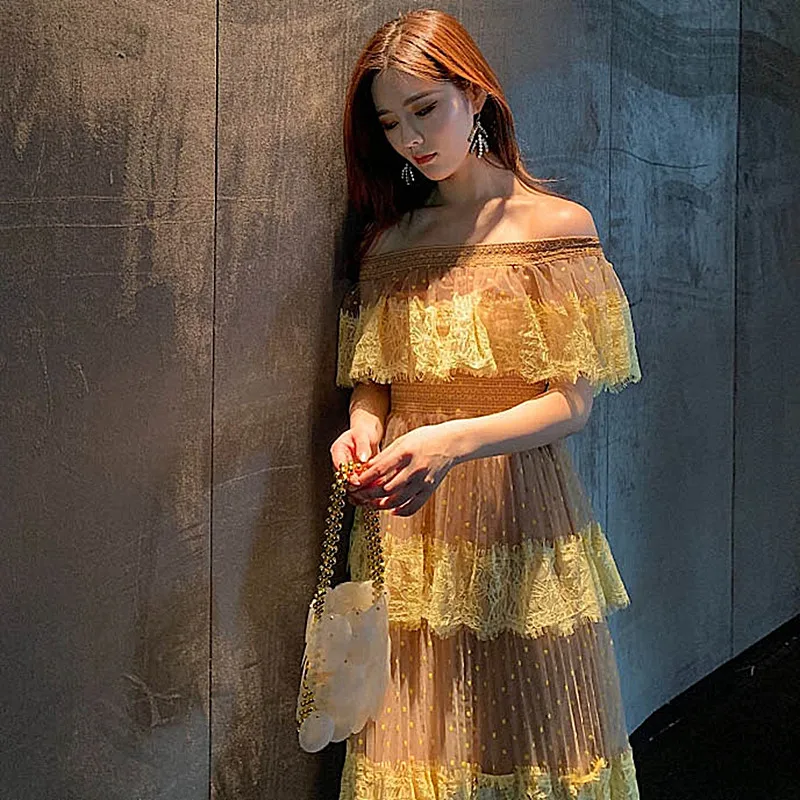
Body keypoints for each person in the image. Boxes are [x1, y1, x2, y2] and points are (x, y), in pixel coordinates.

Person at [328, 9, 643, 799]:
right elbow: (378, 374)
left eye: (424, 109)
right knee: (420, 740)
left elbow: (572, 404)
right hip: (409, 521)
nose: (410, 139)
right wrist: (361, 427)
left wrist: (451, 441)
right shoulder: (391, 241)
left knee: (533, 728)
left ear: (475, 94)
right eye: (390, 123)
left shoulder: (555, 228)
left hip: (515, 508)